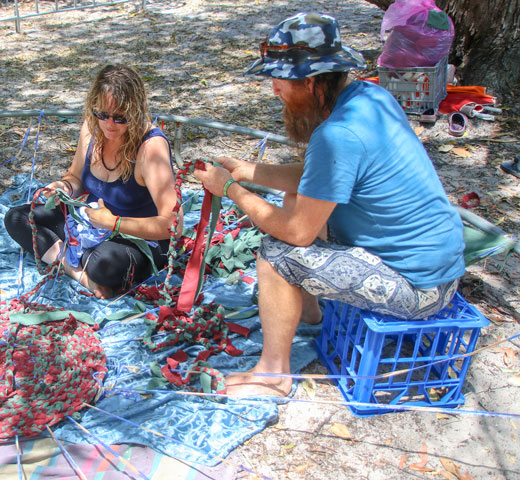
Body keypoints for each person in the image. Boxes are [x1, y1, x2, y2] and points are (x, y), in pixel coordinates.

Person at [194, 13, 465, 397]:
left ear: (309, 82)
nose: (274, 90)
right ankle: (307, 312)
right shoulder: (370, 96)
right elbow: (317, 177)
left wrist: (231, 191)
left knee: (276, 252)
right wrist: (247, 171)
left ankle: (273, 373)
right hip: (440, 266)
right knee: (295, 199)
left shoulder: (337, 135)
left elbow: (297, 232)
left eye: (279, 80)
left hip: (419, 287)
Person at [5, 64, 180, 299]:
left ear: (136, 112)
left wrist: (114, 223)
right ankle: (82, 276)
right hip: (91, 223)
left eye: (120, 118)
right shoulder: (91, 127)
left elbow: (173, 225)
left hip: (137, 238)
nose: (109, 124)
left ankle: (80, 263)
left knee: (103, 264)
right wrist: (62, 187)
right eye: (102, 114)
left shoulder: (151, 147)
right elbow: (75, 177)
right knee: (17, 218)